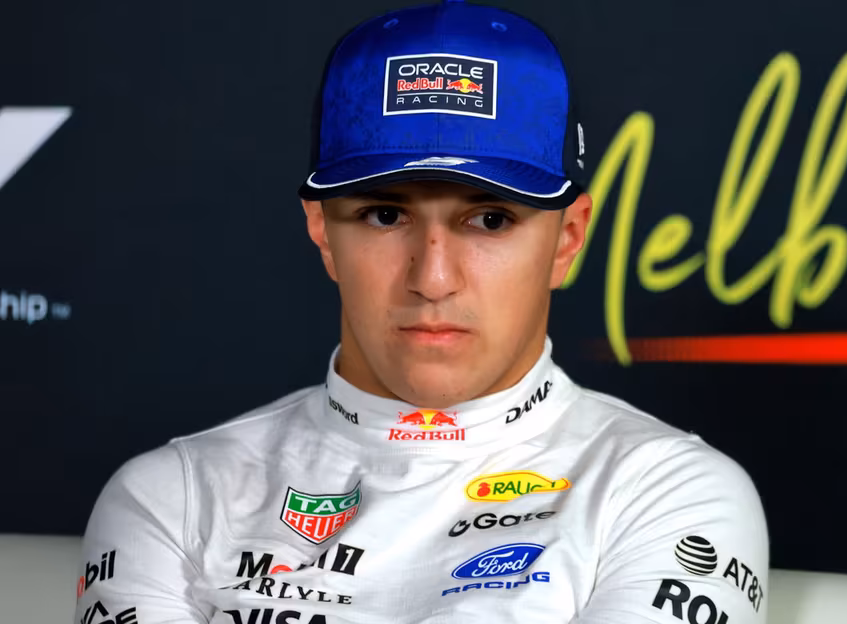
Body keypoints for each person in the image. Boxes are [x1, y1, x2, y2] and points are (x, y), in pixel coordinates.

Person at [75, 2, 769, 623]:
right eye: (385, 215)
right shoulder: (171, 497)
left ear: (567, 240)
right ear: (321, 231)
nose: (433, 279)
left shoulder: (666, 493)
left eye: (490, 220)